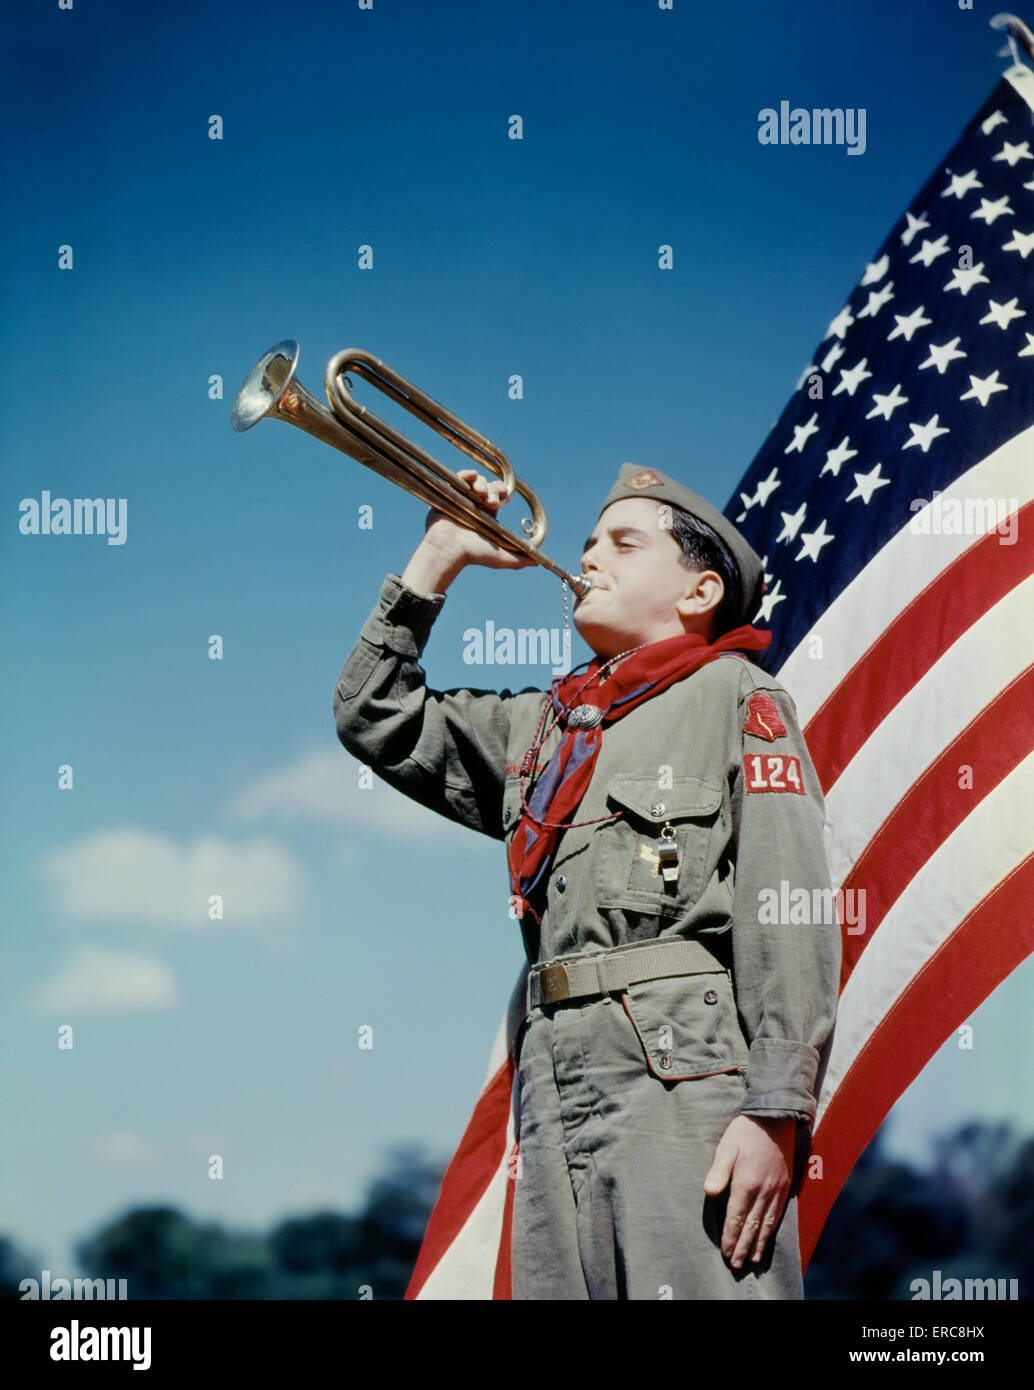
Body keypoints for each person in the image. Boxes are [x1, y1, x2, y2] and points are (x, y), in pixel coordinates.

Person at [333, 461, 840, 1300]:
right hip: (554, 1073)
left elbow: (788, 908)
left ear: (699, 591)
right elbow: (375, 715)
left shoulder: (736, 695)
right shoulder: (542, 727)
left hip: (683, 1077)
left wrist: (775, 1109)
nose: (590, 559)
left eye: (623, 544)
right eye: (589, 544)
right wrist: (438, 558)